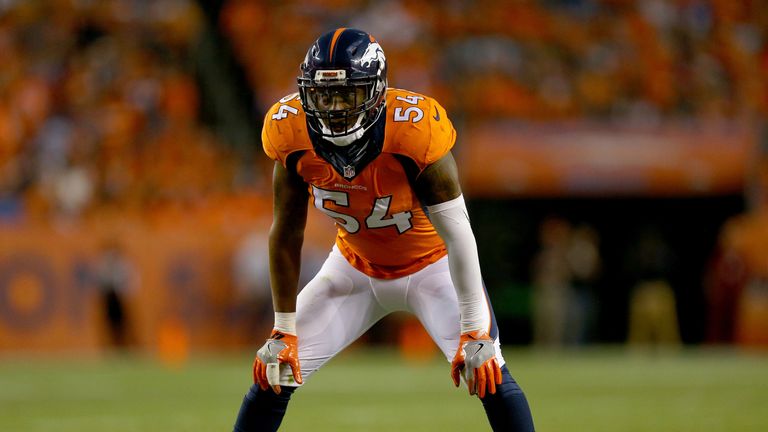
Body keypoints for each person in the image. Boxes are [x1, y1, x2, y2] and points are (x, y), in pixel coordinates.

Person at [233, 28, 535, 432]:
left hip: (433, 268)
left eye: (348, 94)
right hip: (353, 269)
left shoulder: (413, 130)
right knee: (273, 371)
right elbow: (286, 231)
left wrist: (475, 331)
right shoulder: (291, 132)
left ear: (376, 92)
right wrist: (282, 329)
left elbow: (459, 232)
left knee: (488, 373)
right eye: (324, 96)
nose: (334, 108)